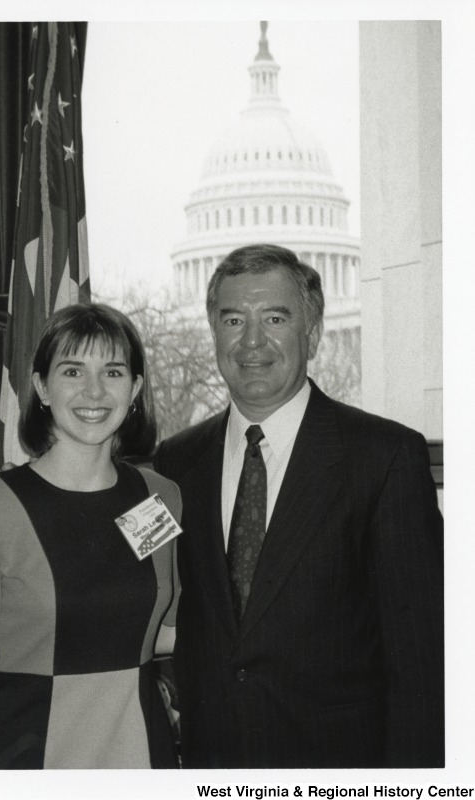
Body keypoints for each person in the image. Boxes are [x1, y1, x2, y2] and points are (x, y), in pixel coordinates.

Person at [154, 243, 444, 769]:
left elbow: (423, 662)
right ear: (214, 332)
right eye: (234, 319)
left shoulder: (383, 459)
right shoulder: (174, 464)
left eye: (275, 318)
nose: (252, 341)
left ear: (311, 332)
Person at [0, 303, 181, 769]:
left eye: (113, 371)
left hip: (143, 759)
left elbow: (162, 631)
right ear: (42, 387)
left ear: (136, 390)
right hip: (32, 763)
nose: (94, 390)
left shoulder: (158, 498)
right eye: (73, 371)